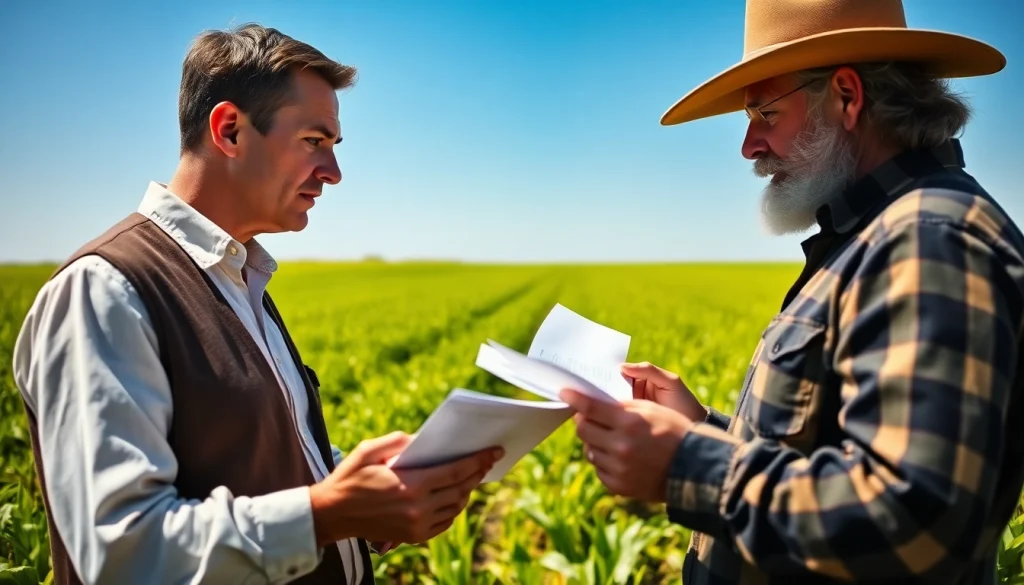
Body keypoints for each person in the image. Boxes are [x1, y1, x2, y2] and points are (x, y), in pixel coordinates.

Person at [12, 23, 503, 585]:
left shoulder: (241, 279)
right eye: (314, 142)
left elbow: (252, 466)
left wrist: (367, 498)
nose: (334, 174)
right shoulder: (104, 290)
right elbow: (119, 554)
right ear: (229, 130)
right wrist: (327, 512)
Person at [559, 0, 1024, 583]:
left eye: (765, 113)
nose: (749, 146)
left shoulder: (930, 238)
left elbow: (915, 519)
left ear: (847, 97)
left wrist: (686, 464)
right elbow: (830, 457)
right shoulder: (878, 233)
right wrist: (703, 428)